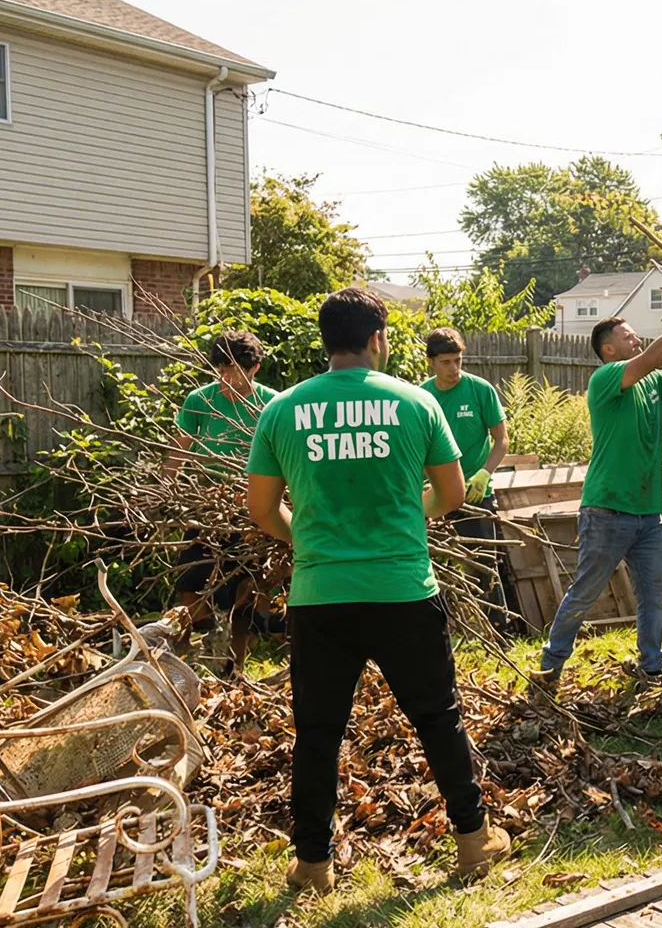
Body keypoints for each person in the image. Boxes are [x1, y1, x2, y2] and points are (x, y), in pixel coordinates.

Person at [246, 287, 510, 892]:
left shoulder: (282, 409)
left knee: (317, 730)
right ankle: (473, 842)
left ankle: (312, 865)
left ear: (327, 341)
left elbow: (261, 509)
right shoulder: (417, 403)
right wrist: (409, 520)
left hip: (320, 595)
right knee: (438, 718)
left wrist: (308, 545)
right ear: (377, 339)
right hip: (403, 590)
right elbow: (452, 494)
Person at [534, 300, 662, 696]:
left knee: (654, 593)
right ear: (609, 350)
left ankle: (651, 668)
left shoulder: (653, 383)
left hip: (647, 514)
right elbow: (655, 356)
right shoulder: (606, 379)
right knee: (585, 590)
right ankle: (551, 665)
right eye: (627, 335)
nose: (636, 337)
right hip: (607, 510)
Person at [168, 330, 279, 672]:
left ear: (255, 368)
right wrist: (166, 488)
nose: (225, 378)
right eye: (220, 369)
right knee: (188, 578)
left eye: (234, 370)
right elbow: (178, 449)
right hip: (206, 509)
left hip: (253, 510)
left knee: (243, 589)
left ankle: (235, 665)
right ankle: (207, 630)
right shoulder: (200, 401)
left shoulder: (271, 404)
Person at [420, 327, 511, 621]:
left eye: (458, 360)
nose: (454, 368)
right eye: (446, 362)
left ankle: (498, 627)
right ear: (430, 362)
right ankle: (444, 624)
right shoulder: (422, 396)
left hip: (475, 491)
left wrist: (485, 473)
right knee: (435, 563)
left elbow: (502, 440)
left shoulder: (480, 390)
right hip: (433, 492)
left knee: (484, 561)